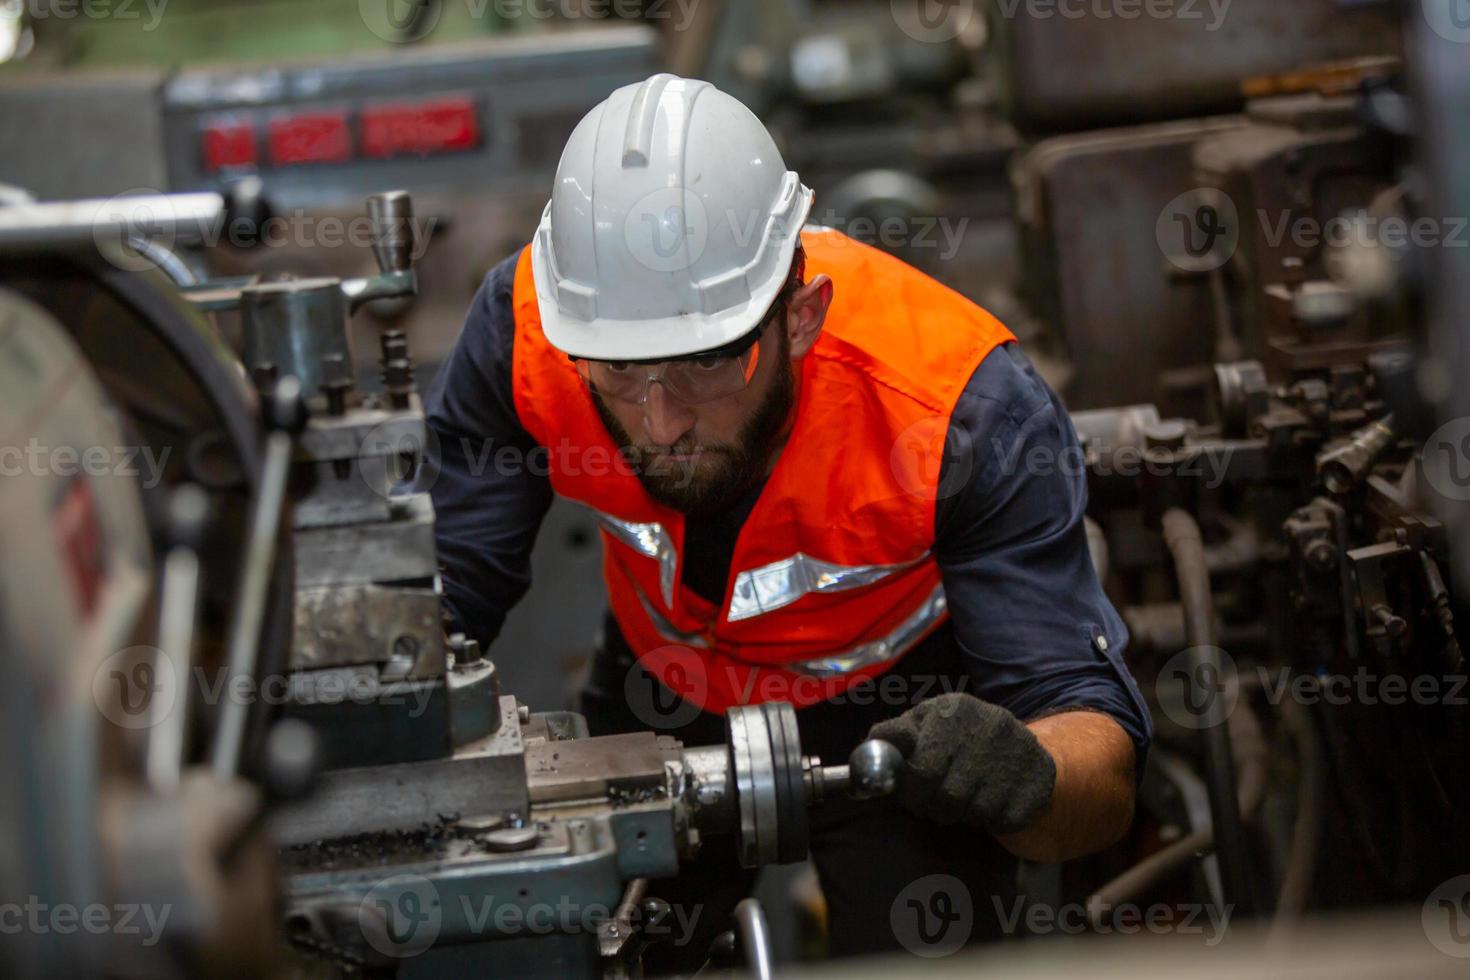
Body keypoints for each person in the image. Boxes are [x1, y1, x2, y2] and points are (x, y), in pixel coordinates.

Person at [424, 72, 1151, 969]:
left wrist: (1023, 774)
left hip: (903, 720)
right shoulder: (529, 336)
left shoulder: (965, 412)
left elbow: (1098, 756)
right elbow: (448, 599)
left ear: (801, 318)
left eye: (706, 363)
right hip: (662, 690)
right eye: (618, 371)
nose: (662, 424)